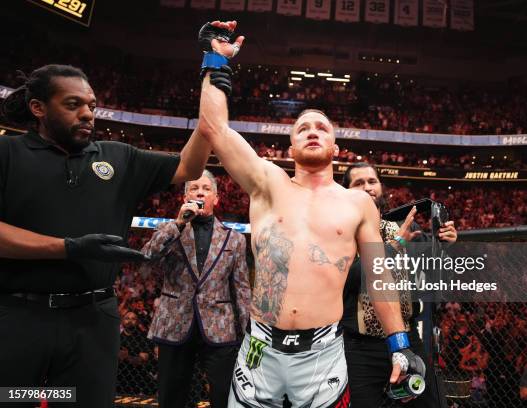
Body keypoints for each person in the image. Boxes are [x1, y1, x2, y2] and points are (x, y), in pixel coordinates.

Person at [197, 20, 425, 408]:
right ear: (291, 148)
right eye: (303, 127)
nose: (313, 130)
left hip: (323, 353)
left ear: (335, 148)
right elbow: (213, 127)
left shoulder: (357, 203)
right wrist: (215, 59)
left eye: (322, 127)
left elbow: (379, 277)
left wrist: (399, 345)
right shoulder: (267, 181)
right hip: (259, 349)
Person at [0, 64, 216, 407]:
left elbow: (189, 167)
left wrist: (214, 79)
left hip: (93, 318)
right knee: (12, 399)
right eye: (73, 105)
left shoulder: (119, 156)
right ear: (38, 108)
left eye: (92, 106)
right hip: (17, 315)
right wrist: (69, 249)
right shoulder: (7, 153)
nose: (87, 114)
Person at [341, 162, 457, 408]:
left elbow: (436, 281)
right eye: (358, 183)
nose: (367, 188)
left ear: (381, 187)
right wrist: (394, 247)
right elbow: (346, 280)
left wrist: (446, 246)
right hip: (360, 346)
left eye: (372, 182)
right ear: (346, 192)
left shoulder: (408, 226)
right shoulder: (340, 231)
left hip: (407, 337)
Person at [140, 170, 251, 408]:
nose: (200, 191)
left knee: (223, 396)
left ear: (216, 198)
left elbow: (242, 289)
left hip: (220, 328)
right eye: (194, 188)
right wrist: (179, 223)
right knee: (171, 397)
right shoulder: (170, 230)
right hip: (174, 324)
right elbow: (147, 257)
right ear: (185, 197)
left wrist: (247, 334)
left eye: (206, 188)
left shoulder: (234, 239)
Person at [117, 311, 156, 396]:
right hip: (121, 378)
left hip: (139, 378)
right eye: (127, 318)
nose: (130, 321)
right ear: (122, 321)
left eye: (133, 319)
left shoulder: (143, 337)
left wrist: (127, 356)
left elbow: (143, 359)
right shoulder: (118, 338)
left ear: (137, 322)